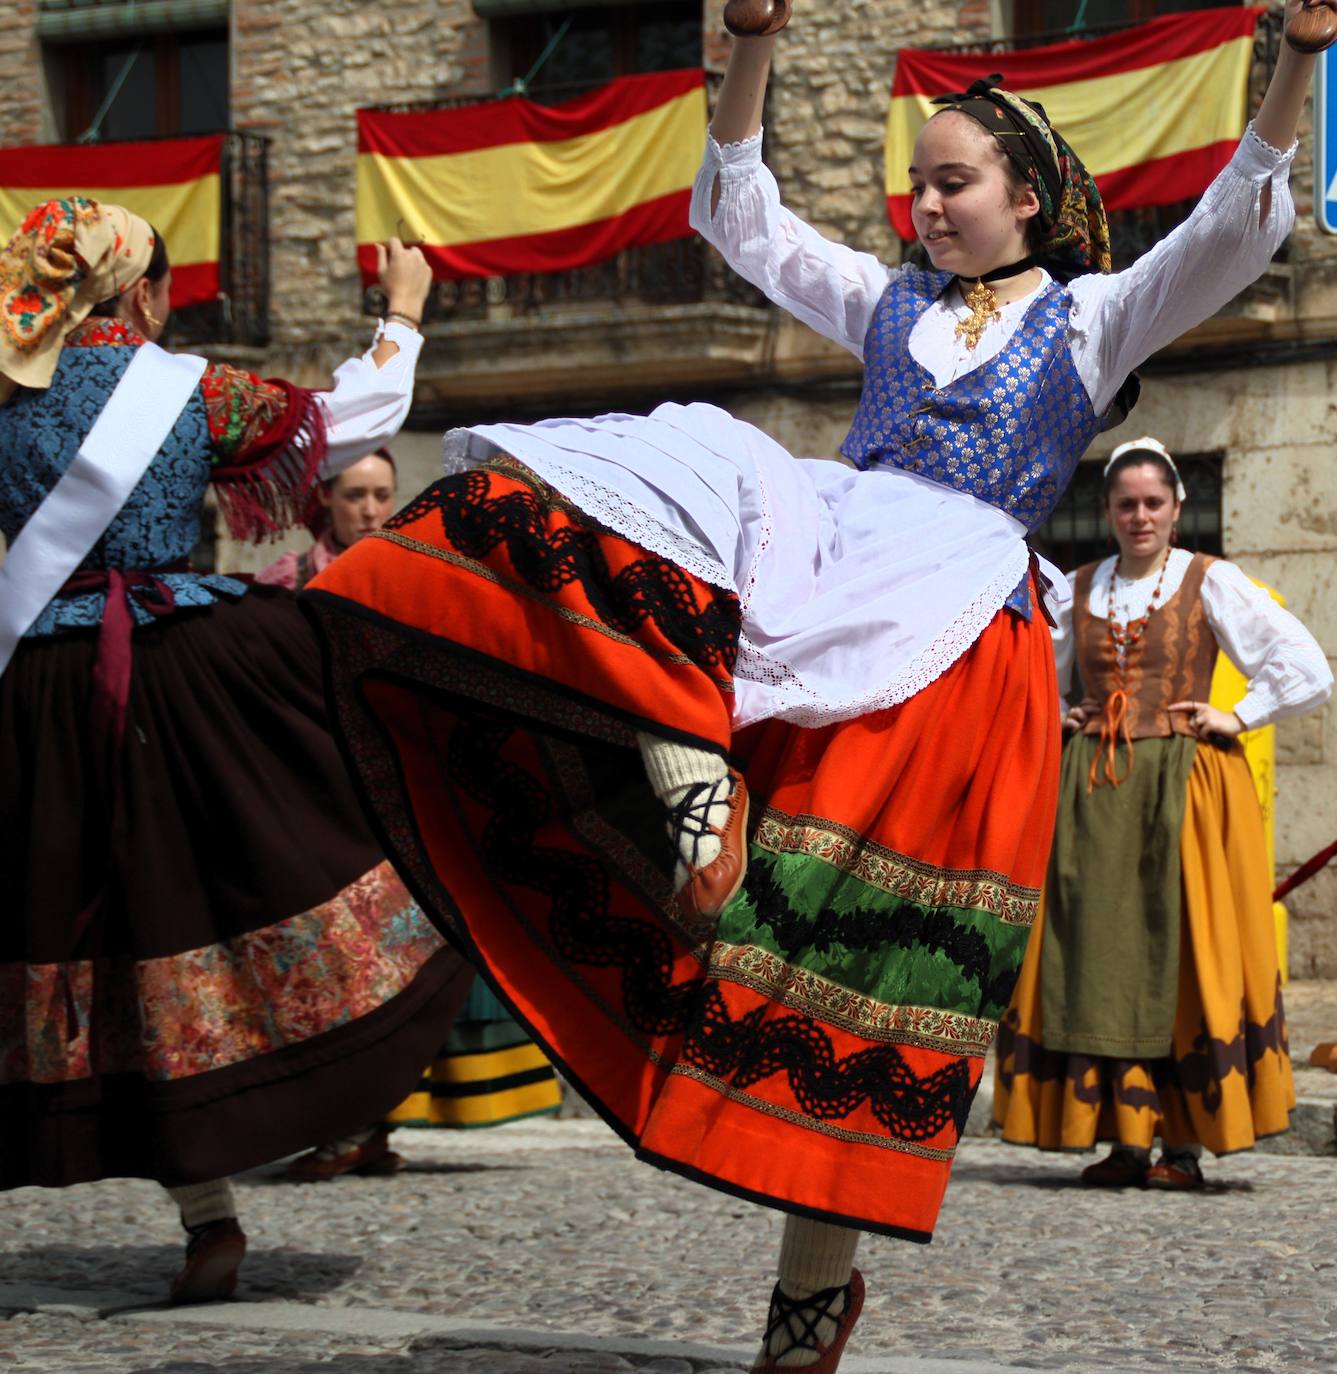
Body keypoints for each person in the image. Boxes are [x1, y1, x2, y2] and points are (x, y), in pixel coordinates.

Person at [302, 6, 1327, 1368]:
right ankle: (686, 770)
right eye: (917, 182)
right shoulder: (889, 298)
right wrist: (749, 45)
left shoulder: (1091, 315)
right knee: (676, 464)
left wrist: (1300, 60)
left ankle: (806, 1305)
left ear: (1026, 195)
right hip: (834, 562)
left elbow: (1226, 230)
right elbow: (744, 218)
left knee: (844, 972)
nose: (926, 203)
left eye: (951, 181)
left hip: (950, 629)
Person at [0, 200, 471, 1303]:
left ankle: (205, 1216)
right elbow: (349, 414)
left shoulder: (5, 397)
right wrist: (401, 316)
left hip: (40, 693)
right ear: (140, 291)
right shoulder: (193, 389)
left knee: (86, 928)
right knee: (207, 907)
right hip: (184, 673)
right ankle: (227, 1191)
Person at [992, 437, 1331, 1189]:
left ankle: (1180, 1145)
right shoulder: (1074, 588)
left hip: (1183, 787)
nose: (1138, 515)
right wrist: (1058, 718)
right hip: (1093, 795)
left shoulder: (1211, 582)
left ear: (1175, 510)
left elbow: (1304, 668)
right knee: (1099, 958)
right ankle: (1121, 1140)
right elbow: (1023, 683)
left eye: (1152, 503)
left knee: (1179, 955)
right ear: (1107, 512)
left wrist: (1236, 717)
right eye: (1125, 504)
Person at [257, 452, 563, 1179]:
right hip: (323, 791)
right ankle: (348, 1123)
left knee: (400, 962)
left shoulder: (419, 569)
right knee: (334, 961)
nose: (369, 508)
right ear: (324, 499)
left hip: (406, 786)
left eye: (382, 495)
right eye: (355, 494)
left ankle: (371, 1125)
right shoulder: (286, 585)